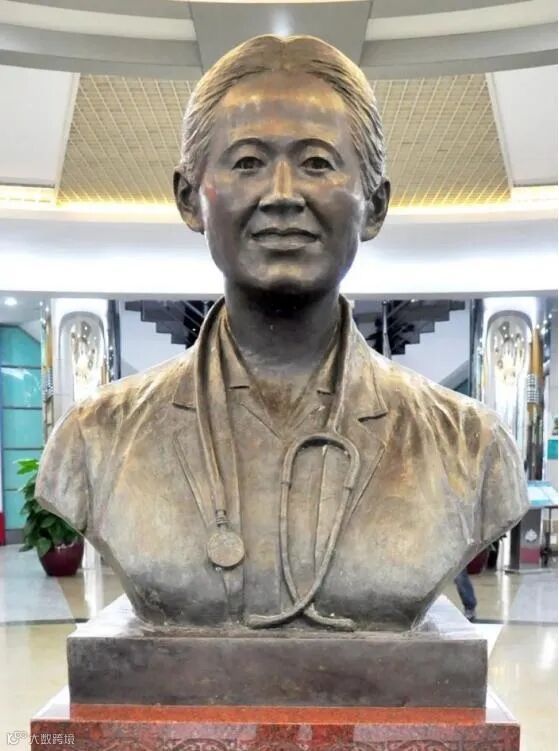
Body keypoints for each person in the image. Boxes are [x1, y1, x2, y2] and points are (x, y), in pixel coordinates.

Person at [36, 35, 529, 631]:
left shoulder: (470, 447)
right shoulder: (96, 438)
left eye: (317, 162)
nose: (282, 195)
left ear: (374, 205)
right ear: (190, 200)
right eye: (248, 162)